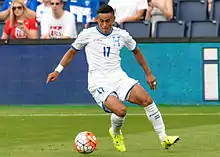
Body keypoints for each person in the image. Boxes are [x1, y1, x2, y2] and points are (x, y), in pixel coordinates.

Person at [46, 4, 179, 152]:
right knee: (121, 111)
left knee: (147, 100)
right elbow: (72, 52)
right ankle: (115, 133)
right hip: (98, 82)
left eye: (108, 21)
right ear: (97, 20)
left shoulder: (122, 35)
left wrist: (148, 73)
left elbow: (136, 51)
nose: (104, 25)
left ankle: (164, 138)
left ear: (113, 19)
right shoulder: (87, 34)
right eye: (101, 21)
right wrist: (57, 70)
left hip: (118, 77)